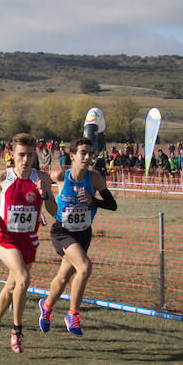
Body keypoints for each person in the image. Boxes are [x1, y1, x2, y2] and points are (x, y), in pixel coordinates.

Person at [0, 133, 56, 353]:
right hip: (7, 239)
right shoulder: (4, 177)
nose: (25, 160)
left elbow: (54, 211)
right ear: (12, 155)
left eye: (30, 155)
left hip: (29, 240)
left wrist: (45, 194)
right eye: (21, 155)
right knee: (23, 279)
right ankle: (17, 331)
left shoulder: (42, 178)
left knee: (12, 286)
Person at [38, 138, 118, 337]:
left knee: (64, 276)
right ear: (72, 156)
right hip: (63, 231)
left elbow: (112, 205)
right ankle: (73, 314)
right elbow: (42, 187)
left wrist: (93, 200)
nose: (88, 157)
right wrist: (41, 203)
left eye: (91, 153)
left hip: (83, 233)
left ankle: (46, 306)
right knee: (85, 267)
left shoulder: (95, 178)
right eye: (83, 153)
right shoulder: (60, 176)